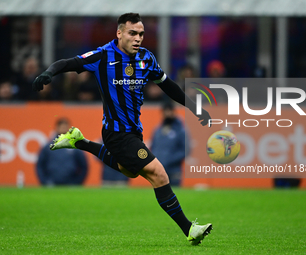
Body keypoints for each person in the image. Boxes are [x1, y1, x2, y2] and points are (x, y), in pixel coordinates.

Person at [32, 13, 212, 245]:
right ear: (119, 33)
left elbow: (168, 86)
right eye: (132, 33)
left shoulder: (147, 58)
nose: (138, 38)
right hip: (116, 133)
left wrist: (194, 108)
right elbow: (68, 63)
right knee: (158, 173)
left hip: (134, 131)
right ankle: (189, 229)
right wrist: (48, 73)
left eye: (141, 34)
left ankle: (79, 142)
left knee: (128, 170)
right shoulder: (103, 55)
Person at [36, 118, 88, 186]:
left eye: (65, 127)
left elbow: (84, 166)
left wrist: (77, 182)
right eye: (62, 127)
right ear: (57, 128)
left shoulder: (75, 146)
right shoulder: (49, 147)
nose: (64, 129)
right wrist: (44, 181)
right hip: (52, 182)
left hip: (70, 183)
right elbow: (40, 165)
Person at [150, 102, 189, 186]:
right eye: (165, 111)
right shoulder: (158, 130)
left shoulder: (180, 130)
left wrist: (168, 160)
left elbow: (185, 150)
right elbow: (153, 147)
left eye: (169, 111)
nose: (167, 114)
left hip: (174, 170)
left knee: (175, 194)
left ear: (173, 112)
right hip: (158, 170)